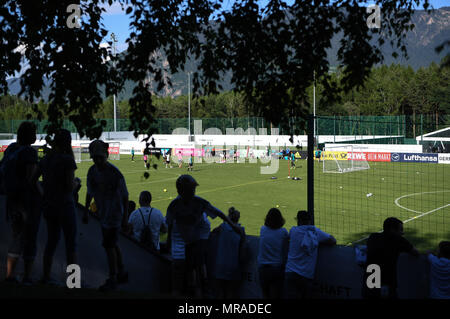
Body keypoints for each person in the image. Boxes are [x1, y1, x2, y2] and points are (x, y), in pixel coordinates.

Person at [165, 175, 243, 298]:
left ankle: (201, 289)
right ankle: (191, 289)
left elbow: (219, 213)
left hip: (197, 237)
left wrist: (233, 226)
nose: (193, 192)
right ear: (181, 191)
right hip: (186, 240)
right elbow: (169, 225)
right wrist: (169, 243)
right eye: (191, 189)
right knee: (187, 268)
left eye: (193, 189)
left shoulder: (199, 202)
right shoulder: (174, 206)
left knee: (198, 265)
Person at [84, 139, 129, 291]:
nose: (97, 161)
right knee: (112, 243)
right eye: (95, 158)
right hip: (103, 214)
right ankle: (121, 271)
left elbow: (125, 196)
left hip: (114, 214)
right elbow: (89, 192)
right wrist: (85, 210)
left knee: (109, 245)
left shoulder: (115, 174)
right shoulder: (92, 172)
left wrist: (124, 218)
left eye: (100, 158)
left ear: (106, 156)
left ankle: (113, 277)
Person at [2, 122, 42, 284]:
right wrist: (43, 196)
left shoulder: (11, 148)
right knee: (28, 238)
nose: (35, 135)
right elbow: (31, 179)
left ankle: (10, 275)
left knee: (16, 236)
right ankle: (26, 276)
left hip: (12, 199)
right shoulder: (28, 152)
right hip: (27, 201)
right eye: (34, 132)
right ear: (28, 135)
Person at [38, 129, 78, 285]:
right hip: (65, 206)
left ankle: (45, 277)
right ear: (68, 142)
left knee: (51, 242)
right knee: (71, 245)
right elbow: (69, 186)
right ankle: (73, 282)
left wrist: (44, 195)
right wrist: (77, 184)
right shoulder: (67, 159)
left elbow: (33, 179)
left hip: (49, 206)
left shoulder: (47, 159)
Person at [363, 217, 419, 299]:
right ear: (392, 230)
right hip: (386, 283)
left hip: (370, 282)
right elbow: (415, 253)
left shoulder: (373, 237)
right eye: (400, 230)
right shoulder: (399, 241)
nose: (402, 233)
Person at [285, 210, 336, 298]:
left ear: (299, 220)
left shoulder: (293, 230)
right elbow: (332, 240)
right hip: (305, 274)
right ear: (309, 220)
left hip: (290, 272)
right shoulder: (314, 231)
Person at [211, 207, 246, 299]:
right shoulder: (241, 230)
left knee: (220, 291)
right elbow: (243, 250)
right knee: (230, 292)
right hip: (233, 264)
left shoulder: (223, 227)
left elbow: (213, 232)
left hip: (221, 263)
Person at [257, 208, 289, 299]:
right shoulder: (283, 232)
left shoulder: (263, 229)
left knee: (265, 295)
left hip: (263, 268)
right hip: (276, 268)